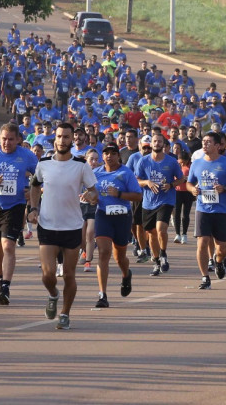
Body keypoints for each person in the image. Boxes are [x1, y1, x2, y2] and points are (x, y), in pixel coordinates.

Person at [28, 123, 98, 330]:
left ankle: (65, 313)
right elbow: (34, 185)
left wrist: (90, 196)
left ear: (72, 140)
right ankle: (53, 294)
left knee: (68, 274)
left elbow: (94, 192)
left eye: (66, 137)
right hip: (47, 225)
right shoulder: (43, 163)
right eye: (59, 137)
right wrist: (33, 208)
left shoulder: (81, 165)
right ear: (55, 139)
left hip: (72, 226)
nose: (62, 140)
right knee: (48, 275)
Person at [0, 124, 38, 305]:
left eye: (11, 139)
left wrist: (32, 191)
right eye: (4, 138)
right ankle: (0, 279)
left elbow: (41, 177)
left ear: (19, 139)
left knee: (8, 246)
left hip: (15, 205)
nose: (7, 143)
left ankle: (5, 285)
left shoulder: (27, 155)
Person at [186, 132, 226, 289]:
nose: (205, 144)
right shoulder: (196, 163)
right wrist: (192, 190)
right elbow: (189, 183)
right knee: (202, 242)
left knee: (222, 248)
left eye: (209, 142)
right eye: (203, 141)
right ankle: (205, 277)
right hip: (202, 208)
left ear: (218, 146)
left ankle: (219, 261)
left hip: (222, 210)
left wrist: (224, 188)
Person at [90, 143, 141, 307]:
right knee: (104, 252)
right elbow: (90, 192)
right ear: (102, 156)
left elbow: (138, 196)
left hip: (122, 216)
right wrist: (90, 197)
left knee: (119, 257)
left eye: (113, 153)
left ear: (118, 156)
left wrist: (119, 194)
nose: (109, 156)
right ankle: (102, 295)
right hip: (103, 215)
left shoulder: (125, 173)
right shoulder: (95, 173)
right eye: (106, 153)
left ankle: (126, 274)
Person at [134, 134, 184, 276]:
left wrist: (171, 184)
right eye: (154, 141)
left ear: (164, 145)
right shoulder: (143, 161)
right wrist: (147, 182)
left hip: (166, 200)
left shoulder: (172, 162)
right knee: (151, 233)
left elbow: (181, 179)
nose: (156, 143)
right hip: (148, 202)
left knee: (161, 229)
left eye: (159, 141)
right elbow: (136, 180)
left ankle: (163, 254)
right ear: (151, 144)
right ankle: (156, 262)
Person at [173, 150, 194, 244]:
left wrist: (186, 178)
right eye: (180, 162)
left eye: (183, 162)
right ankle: (177, 234)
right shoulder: (175, 165)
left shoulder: (191, 166)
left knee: (185, 214)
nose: (181, 164)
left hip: (188, 192)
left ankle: (184, 234)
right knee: (176, 213)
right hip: (177, 192)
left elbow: (194, 178)